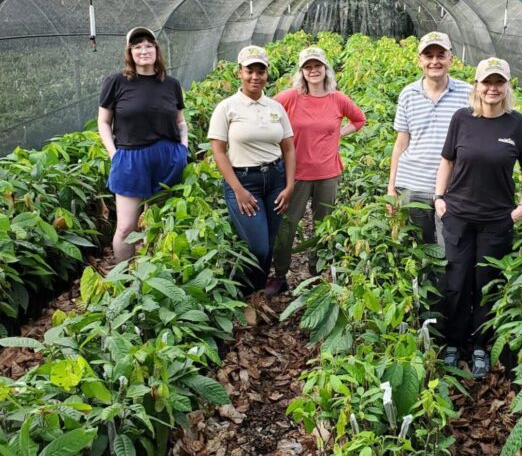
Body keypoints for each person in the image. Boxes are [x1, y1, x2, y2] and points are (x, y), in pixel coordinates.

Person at [434, 57, 522, 378]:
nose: (492, 88)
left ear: (507, 86)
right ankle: (453, 343)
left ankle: (480, 345)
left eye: (498, 82)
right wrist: (439, 198)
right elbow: (447, 161)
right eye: (487, 82)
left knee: (486, 283)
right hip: (458, 215)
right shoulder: (462, 118)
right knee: (456, 281)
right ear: (477, 85)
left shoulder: (517, 124)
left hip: (496, 220)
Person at [272, 47, 366, 289]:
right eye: (308, 67)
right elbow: (267, 113)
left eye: (317, 66)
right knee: (287, 224)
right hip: (296, 173)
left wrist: (339, 134)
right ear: (301, 72)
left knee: (323, 225)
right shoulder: (290, 97)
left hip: (328, 173)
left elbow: (359, 119)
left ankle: (317, 272)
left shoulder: (338, 99)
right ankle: (280, 274)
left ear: (326, 69)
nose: (313, 71)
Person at [208, 45, 296, 296]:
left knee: (269, 241)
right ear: (239, 72)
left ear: (267, 74)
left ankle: (257, 295)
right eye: (250, 71)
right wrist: (238, 190)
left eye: (261, 71)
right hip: (244, 181)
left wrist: (290, 186)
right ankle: (249, 292)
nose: (255, 77)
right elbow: (219, 152)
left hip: (275, 180)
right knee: (258, 246)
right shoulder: (227, 108)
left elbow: (288, 148)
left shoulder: (275, 107)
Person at [98, 27, 188, 263]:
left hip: (167, 159)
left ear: (157, 50)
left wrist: (183, 149)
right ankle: (125, 275)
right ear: (129, 52)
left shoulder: (171, 84)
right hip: (130, 160)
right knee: (126, 227)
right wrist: (114, 155)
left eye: (149, 45)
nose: (144, 50)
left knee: (159, 222)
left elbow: (180, 121)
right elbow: (103, 122)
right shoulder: (116, 82)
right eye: (137, 46)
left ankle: (157, 271)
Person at [388, 32, 471, 247]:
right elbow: (401, 143)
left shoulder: (468, 94)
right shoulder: (408, 94)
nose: (435, 61)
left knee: (449, 247)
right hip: (413, 185)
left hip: (453, 187)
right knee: (420, 247)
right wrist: (391, 187)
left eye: (440, 55)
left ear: (451, 59)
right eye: (428, 56)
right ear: (420, 60)